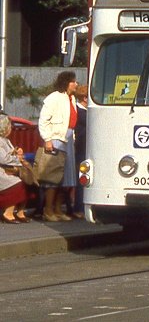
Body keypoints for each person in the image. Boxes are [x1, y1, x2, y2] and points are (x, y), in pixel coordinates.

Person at [38, 70, 78, 222]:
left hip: (68, 139)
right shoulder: (54, 98)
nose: (76, 84)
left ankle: (58, 209)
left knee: (66, 178)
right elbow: (43, 120)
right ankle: (48, 210)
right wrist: (47, 139)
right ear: (66, 83)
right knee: (53, 177)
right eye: (73, 81)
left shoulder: (71, 99)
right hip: (56, 139)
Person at [0, 114, 30, 223]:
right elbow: (3, 159)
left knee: (29, 183)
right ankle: (8, 213)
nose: (11, 129)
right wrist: (18, 158)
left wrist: (17, 152)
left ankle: (20, 212)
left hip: (9, 170)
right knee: (17, 184)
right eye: (10, 126)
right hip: (2, 172)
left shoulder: (6, 140)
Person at [69, 84, 88, 219]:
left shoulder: (83, 111)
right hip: (81, 148)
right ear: (85, 98)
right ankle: (79, 208)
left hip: (83, 148)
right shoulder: (81, 112)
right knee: (82, 178)